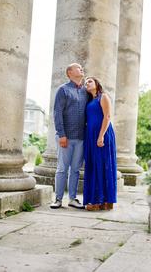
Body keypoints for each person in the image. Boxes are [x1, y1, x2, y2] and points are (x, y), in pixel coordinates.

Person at [50, 63, 91, 209]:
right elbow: (57, 113)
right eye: (78, 68)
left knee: (75, 170)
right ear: (70, 73)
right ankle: (58, 199)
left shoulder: (86, 91)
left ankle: (72, 198)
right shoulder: (63, 90)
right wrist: (61, 134)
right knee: (62, 169)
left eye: (81, 67)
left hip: (81, 138)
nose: (82, 69)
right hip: (65, 137)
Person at [83, 76, 117, 211]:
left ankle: (99, 201)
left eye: (90, 81)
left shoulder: (103, 96)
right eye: (85, 82)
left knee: (103, 165)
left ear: (97, 84)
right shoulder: (90, 100)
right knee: (93, 165)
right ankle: (102, 201)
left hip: (102, 133)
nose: (87, 83)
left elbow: (107, 116)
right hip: (91, 134)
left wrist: (101, 136)